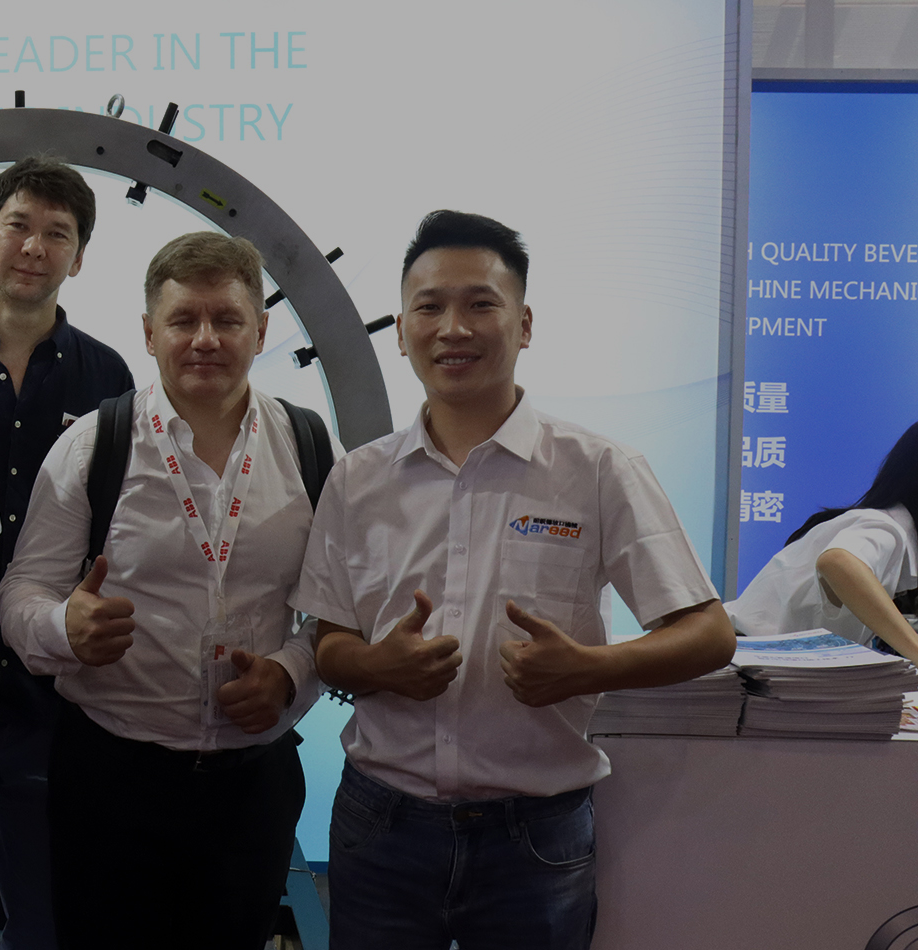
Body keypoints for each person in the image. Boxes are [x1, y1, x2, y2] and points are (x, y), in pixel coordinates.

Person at [290, 210, 735, 950]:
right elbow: (328, 641)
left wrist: (590, 668)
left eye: (480, 304)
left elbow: (709, 634)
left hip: (536, 837)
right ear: (400, 331)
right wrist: (373, 666)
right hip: (382, 825)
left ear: (524, 325)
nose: (452, 328)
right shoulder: (357, 480)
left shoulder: (598, 469)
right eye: (429, 307)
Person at [0, 231, 320, 950]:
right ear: (149, 333)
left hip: (253, 785)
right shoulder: (93, 445)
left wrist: (290, 673)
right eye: (183, 321)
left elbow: (340, 612)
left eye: (227, 319)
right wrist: (63, 627)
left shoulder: (309, 446)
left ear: (260, 329)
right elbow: (22, 591)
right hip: (112, 779)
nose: (205, 339)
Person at [0, 155, 133, 950]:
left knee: (48, 916)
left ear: (79, 256)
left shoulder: (109, 376)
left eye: (57, 233)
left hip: (53, 681)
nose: (35, 247)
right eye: (18, 226)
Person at [727, 420, 918, 661]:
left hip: (773, 664)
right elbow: (837, 562)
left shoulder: (892, 530)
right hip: (746, 661)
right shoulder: (886, 527)